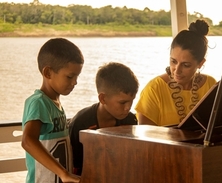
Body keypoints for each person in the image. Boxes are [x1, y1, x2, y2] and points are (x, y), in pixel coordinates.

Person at [21, 38, 84, 183]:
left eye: (77, 76)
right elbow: (27, 140)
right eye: (70, 76)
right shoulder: (38, 102)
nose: (75, 82)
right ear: (48, 73)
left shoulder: (56, 104)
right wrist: (63, 173)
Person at [135, 19, 217, 126]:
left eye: (186, 65)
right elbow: (145, 136)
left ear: (201, 63)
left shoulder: (211, 85)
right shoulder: (155, 88)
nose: (176, 70)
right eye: (173, 61)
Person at [69, 62, 139, 176]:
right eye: (123, 102)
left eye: (132, 100)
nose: (128, 107)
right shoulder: (80, 123)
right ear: (103, 98)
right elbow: (74, 167)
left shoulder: (130, 120)